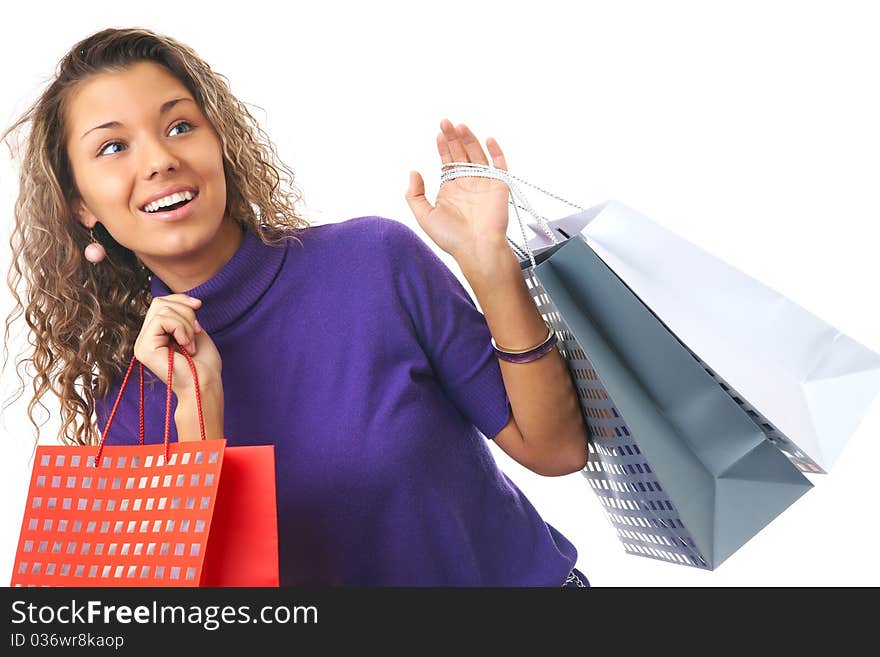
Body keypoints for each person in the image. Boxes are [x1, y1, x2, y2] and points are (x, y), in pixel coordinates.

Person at [2, 27, 591, 587]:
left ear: (221, 143)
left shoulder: (374, 262)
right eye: (113, 146)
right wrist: (198, 425)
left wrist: (489, 263)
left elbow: (556, 450)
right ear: (81, 205)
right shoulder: (130, 404)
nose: (158, 159)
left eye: (180, 126)